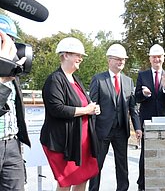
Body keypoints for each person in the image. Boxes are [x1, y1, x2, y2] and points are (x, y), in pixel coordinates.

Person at [40, 37, 100, 191]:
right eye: (77, 55)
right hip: (64, 142)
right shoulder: (55, 80)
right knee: (66, 181)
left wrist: (92, 108)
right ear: (65, 55)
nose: (80, 58)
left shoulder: (75, 79)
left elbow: (83, 104)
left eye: (81, 56)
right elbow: (57, 109)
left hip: (82, 141)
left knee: (83, 177)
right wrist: (86, 110)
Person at [88, 43, 142, 191]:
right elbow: (92, 106)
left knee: (122, 166)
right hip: (101, 131)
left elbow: (133, 108)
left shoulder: (128, 81)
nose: (121, 62)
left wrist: (137, 127)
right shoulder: (98, 80)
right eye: (118, 59)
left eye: (123, 59)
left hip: (121, 131)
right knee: (96, 166)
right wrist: (91, 132)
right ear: (109, 60)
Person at [135, 44, 165, 191]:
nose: (157, 59)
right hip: (147, 120)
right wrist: (144, 94)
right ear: (150, 59)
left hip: (164, 120)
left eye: (159, 56)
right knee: (145, 153)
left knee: (164, 152)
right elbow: (136, 98)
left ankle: (161, 181)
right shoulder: (143, 76)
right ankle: (142, 185)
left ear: (163, 58)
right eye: (154, 57)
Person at [0, 14, 31, 191]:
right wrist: (2, 79)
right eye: (5, 39)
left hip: (12, 144)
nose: (10, 46)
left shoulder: (11, 69)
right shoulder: (5, 73)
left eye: (12, 40)